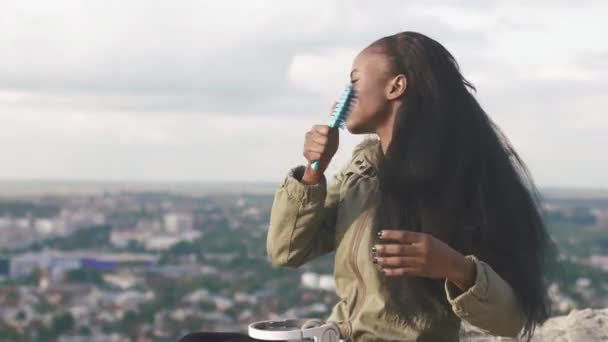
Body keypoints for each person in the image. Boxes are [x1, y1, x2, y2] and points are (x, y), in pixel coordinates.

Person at [180, 31, 552, 342]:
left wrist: (455, 268)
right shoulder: (362, 169)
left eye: (355, 80)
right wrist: (313, 173)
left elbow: (513, 320)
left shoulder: (460, 179)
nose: (345, 92)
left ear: (396, 86)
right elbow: (286, 251)